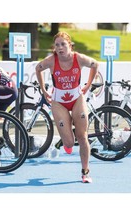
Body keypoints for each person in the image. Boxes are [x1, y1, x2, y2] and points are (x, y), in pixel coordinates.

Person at [35, 31, 99, 183]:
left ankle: (85, 172)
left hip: (77, 98)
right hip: (59, 102)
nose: (60, 48)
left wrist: (88, 85)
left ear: (70, 45)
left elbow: (95, 64)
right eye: (57, 45)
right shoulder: (51, 60)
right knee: (69, 143)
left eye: (63, 44)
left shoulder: (79, 58)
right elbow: (38, 68)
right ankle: (66, 137)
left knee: (82, 136)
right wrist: (43, 90)